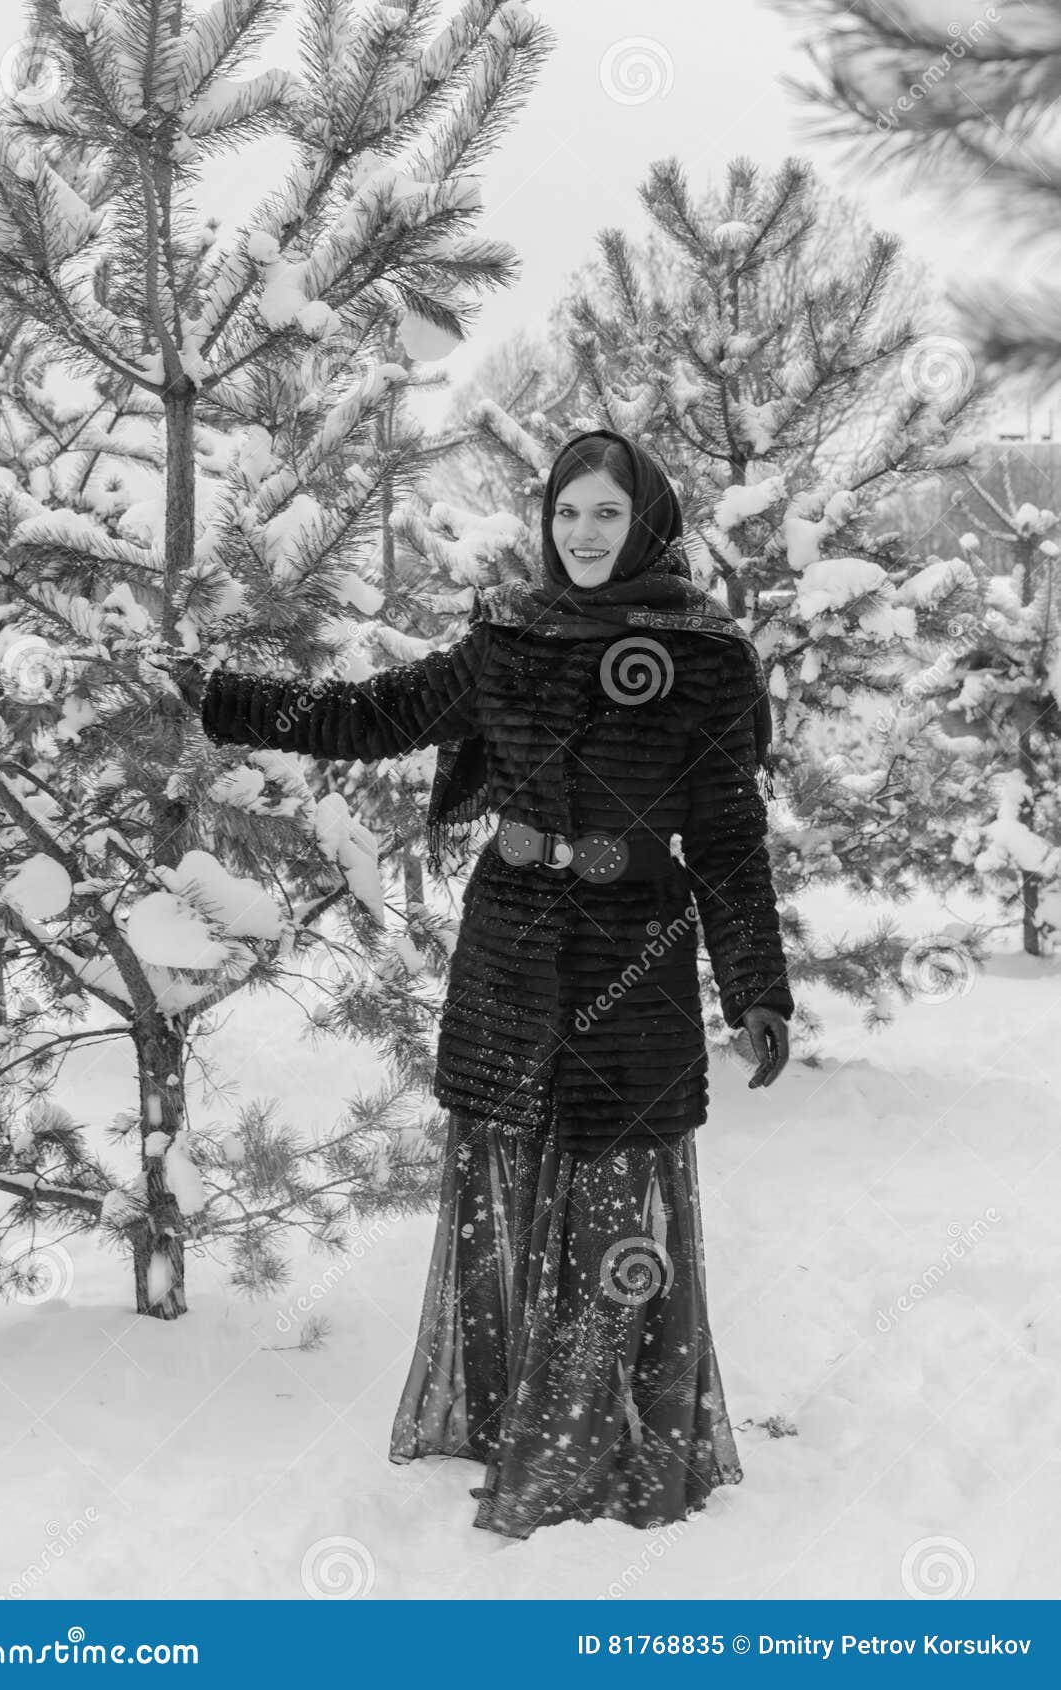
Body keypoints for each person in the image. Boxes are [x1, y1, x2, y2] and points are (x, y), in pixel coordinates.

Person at [162, 427, 794, 1541]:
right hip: (510, 951)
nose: (583, 532)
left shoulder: (704, 659)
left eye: (605, 512)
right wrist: (222, 698)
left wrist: (758, 990)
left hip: (633, 961)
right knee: (506, 1194)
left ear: (647, 521)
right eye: (566, 513)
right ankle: (515, 1414)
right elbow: (370, 715)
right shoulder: (511, 638)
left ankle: (597, 1435)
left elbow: (732, 845)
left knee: (612, 1208)